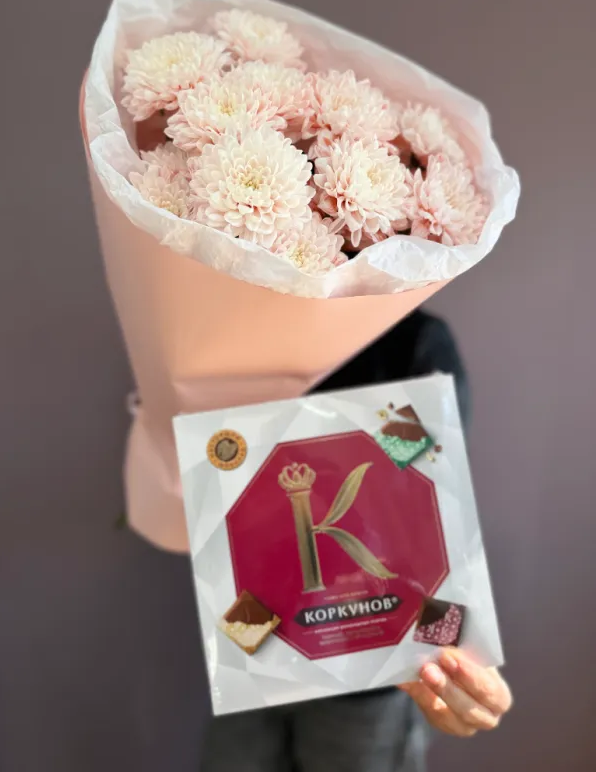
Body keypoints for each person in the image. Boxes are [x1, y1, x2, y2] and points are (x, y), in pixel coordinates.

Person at [201, 309, 513, 772]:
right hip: (257, 653)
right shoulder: (233, 337)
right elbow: (210, 486)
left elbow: (432, 502)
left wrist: (449, 646)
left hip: (370, 668)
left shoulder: (408, 340)